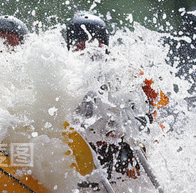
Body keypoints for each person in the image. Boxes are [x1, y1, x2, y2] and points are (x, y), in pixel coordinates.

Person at [67, 12, 168, 180]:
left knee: (130, 153)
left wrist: (141, 125)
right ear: (71, 47)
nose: (89, 48)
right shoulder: (64, 74)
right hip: (84, 146)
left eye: (95, 42)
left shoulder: (124, 69)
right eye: (81, 43)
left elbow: (158, 101)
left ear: (105, 45)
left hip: (120, 144)